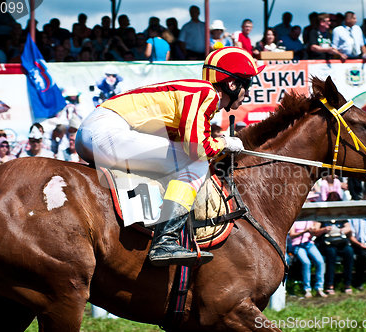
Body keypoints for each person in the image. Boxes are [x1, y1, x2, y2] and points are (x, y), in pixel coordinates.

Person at [75, 47, 264, 267]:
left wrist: (219, 145)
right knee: (196, 163)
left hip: (95, 132)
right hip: (105, 132)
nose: (247, 92)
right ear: (232, 84)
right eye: (247, 83)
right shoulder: (206, 93)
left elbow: (181, 143)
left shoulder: (197, 93)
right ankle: (165, 241)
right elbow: (197, 150)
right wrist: (226, 143)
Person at [315, 192, 354, 295]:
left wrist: (343, 230)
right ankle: (329, 284)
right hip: (327, 243)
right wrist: (324, 229)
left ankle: (347, 284)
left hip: (340, 242)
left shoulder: (341, 215)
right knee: (331, 254)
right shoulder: (323, 216)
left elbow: (348, 228)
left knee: (349, 252)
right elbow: (315, 231)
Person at [289, 220, 327, 298]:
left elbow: (313, 235)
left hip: (309, 243)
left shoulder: (310, 220)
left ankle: (319, 288)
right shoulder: (294, 221)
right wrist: (304, 231)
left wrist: (312, 232)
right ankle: (307, 289)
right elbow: (292, 235)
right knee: (306, 263)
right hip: (297, 244)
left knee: (320, 262)